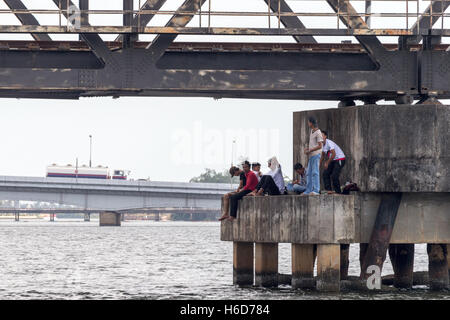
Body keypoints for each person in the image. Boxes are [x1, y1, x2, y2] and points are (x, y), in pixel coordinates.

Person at [303, 116, 323, 195]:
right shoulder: (312, 131)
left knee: (315, 172)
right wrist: (308, 149)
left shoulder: (318, 132)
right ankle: (308, 190)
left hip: (316, 155)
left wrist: (310, 150)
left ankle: (316, 190)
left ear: (311, 123)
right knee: (309, 173)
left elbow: (320, 145)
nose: (308, 123)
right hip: (311, 155)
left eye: (308, 122)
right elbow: (313, 144)